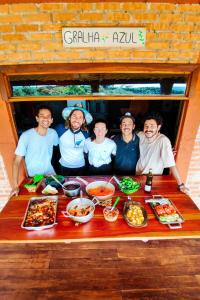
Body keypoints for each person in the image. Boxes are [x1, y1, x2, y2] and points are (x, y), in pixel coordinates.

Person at [11, 105, 59, 196]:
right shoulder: (26, 136)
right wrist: (15, 186)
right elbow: (16, 162)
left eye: (48, 116)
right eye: (42, 116)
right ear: (37, 118)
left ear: (52, 120)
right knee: (39, 201)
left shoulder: (53, 133)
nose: (45, 118)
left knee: (57, 197)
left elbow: (57, 145)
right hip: (34, 177)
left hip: (50, 173)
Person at [136, 112, 189, 193]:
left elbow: (171, 164)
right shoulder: (141, 135)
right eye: (146, 126)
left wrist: (181, 184)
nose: (148, 129)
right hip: (137, 177)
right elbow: (132, 133)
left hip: (152, 181)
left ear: (158, 127)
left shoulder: (163, 140)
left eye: (152, 126)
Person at [56, 105, 93, 176]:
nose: (76, 119)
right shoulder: (60, 129)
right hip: (64, 166)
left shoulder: (86, 133)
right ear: (69, 117)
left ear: (83, 121)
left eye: (80, 117)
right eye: (74, 116)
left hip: (81, 166)